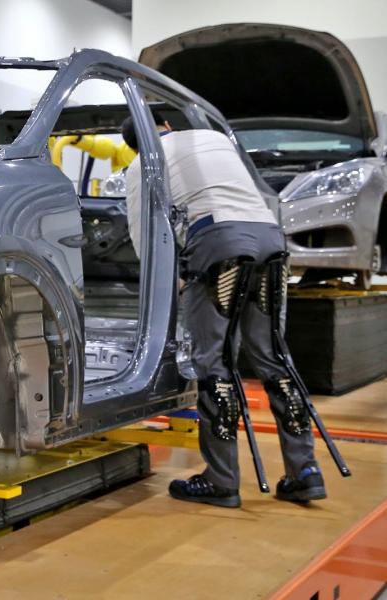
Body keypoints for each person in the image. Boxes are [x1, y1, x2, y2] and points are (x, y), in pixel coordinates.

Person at [121, 111, 325, 508]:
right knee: (274, 358)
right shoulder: (213, 139)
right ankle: (304, 471)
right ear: (168, 126)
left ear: (133, 145)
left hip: (218, 244)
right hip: (269, 239)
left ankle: (221, 481)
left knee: (214, 363)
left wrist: (177, 285)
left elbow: (144, 236)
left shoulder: (142, 164)